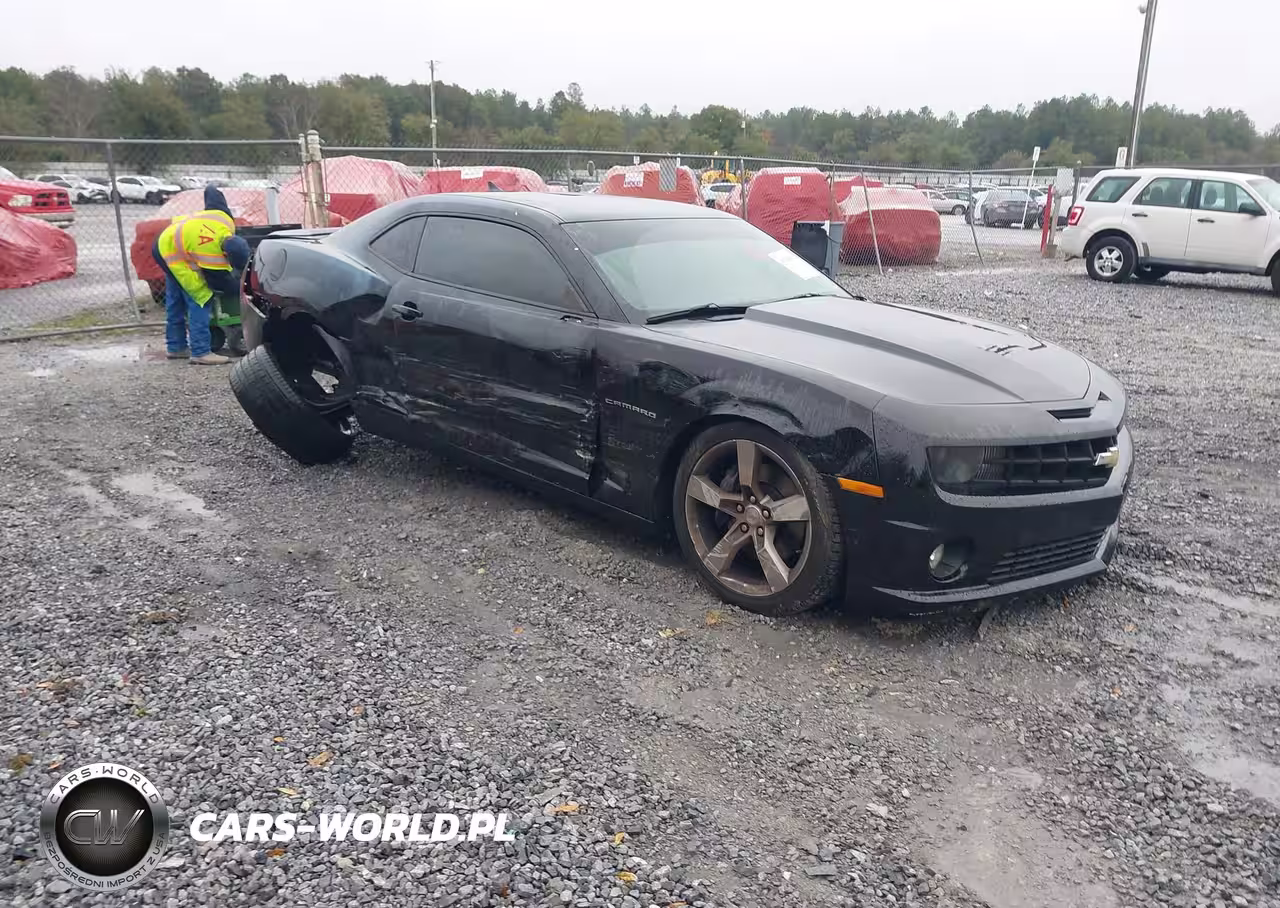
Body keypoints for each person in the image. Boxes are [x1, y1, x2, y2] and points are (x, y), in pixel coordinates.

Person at [151, 185, 250, 365]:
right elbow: (222, 284)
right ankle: (200, 352)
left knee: (176, 299)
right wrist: (242, 287)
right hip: (174, 252)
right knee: (201, 297)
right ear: (226, 255)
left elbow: (212, 193)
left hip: (165, 241)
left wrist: (212, 187)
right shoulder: (212, 255)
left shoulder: (223, 219)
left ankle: (176, 347)